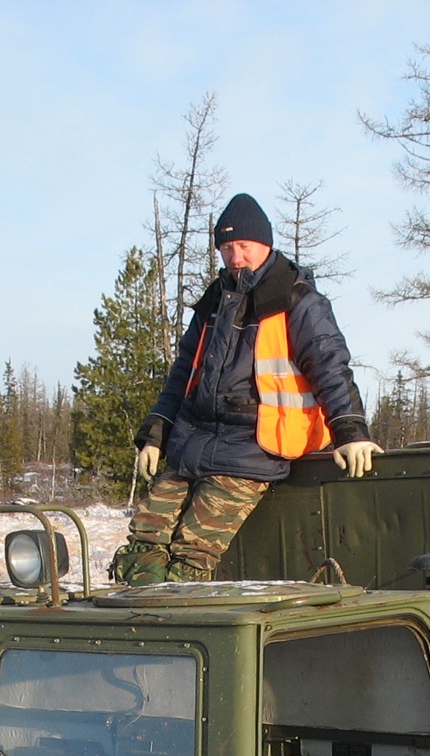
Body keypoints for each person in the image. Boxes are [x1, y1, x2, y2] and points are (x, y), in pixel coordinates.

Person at [112, 193, 380, 585]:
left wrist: (350, 430)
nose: (235, 257)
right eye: (226, 248)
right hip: (192, 442)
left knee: (190, 555)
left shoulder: (295, 298)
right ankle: (141, 636)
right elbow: (183, 374)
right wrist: (156, 433)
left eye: (243, 246)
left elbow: (329, 364)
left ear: (265, 244)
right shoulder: (214, 302)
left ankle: (181, 633)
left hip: (252, 448)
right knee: (142, 546)